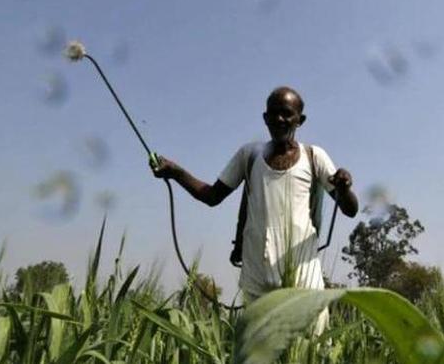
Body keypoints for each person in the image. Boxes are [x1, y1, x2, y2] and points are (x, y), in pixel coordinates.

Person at [151, 86, 358, 330]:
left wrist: (344, 191)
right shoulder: (248, 156)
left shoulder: (314, 157)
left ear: (300, 120)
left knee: (311, 347)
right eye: (273, 114)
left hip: (304, 275)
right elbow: (212, 196)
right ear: (265, 118)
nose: (279, 119)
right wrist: (176, 172)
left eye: (287, 114)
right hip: (257, 275)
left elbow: (350, 209)